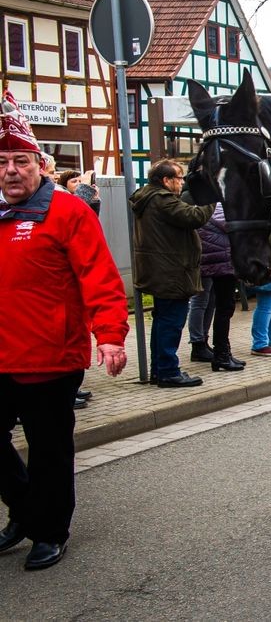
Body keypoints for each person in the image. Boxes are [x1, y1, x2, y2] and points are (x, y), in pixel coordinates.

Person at [0, 92, 128, 570]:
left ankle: (48, 531)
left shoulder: (67, 212)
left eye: (21, 160)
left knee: (49, 451)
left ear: (40, 165)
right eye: (3, 161)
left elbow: (100, 277)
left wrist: (111, 335)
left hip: (49, 357)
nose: (11, 170)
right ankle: (26, 509)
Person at [130, 159, 214, 387]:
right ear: (166, 180)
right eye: (178, 178)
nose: (182, 182)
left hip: (161, 270)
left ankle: (161, 369)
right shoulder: (162, 199)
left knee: (162, 321)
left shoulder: (148, 197)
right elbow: (195, 217)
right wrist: (210, 198)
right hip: (171, 272)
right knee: (171, 323)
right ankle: (168, 371)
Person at [186, 203, 245, 372]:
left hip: (213, 263)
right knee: (223, 308)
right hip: (222, 264)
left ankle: (220, 351)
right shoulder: (217, 207)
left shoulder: (205, 207)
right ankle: (221, 355)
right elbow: (232, 225)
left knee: (214, 306)